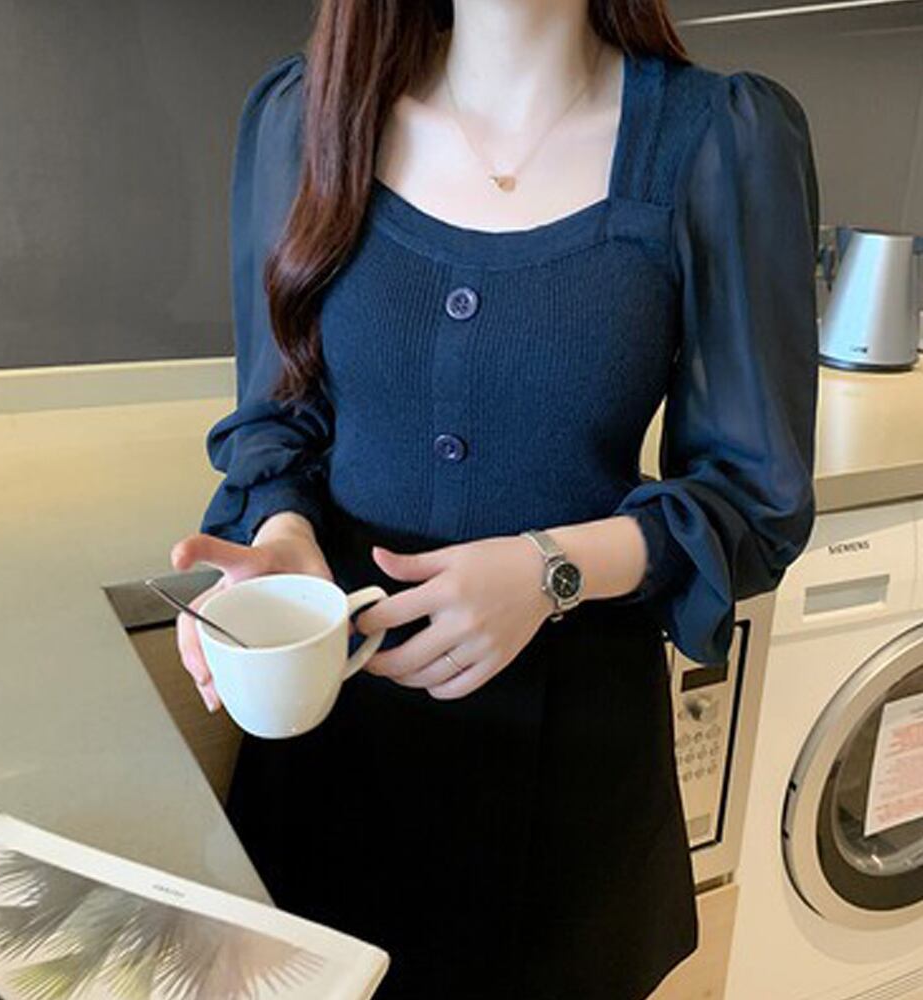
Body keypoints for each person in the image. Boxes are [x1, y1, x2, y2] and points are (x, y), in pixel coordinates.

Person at [170, 1, 820, 996]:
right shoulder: (309, 115)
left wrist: (550, 569)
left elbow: (753, 496)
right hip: (338, 743)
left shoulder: (718, 143)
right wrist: (285, 534)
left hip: (569, 784)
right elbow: (278, 415)